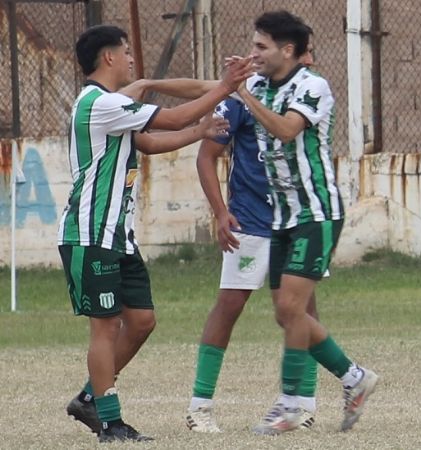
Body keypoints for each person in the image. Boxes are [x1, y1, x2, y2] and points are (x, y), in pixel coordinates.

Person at [59, 25, 251, 442]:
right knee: (106, 327)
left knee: (142, 322)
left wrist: (199, 133)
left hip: (118, 236)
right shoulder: (99, 102)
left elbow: (145, 142)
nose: (131, 60)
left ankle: (90, 398)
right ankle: (110, 423)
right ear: (108, 57)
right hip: (90, 234)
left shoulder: (112, 106)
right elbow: (173, 116)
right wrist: (225, 87)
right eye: (126, 53)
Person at [135, 29, 324, 434]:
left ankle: (303, 405)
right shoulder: (245, 95)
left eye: (261, 48)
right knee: (229, 306)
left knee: (303, 309)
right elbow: (207, 156)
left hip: (297, 219)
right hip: (251, 220)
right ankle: (200, 406)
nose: (309, 62)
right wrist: (221, 213)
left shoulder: (307, 96)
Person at [235, 10, 378, 434]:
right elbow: (207, 89)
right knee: (286, 313)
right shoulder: (258, 84)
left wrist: (241, 93)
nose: (253, 53)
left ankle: (291, 405)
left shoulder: (312, 86)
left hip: (316, 214)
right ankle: (355, 378)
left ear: (288, 51)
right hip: (282, 218)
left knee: (291, 307)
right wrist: (148, 89)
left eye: (261, 47)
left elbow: (284, 130)